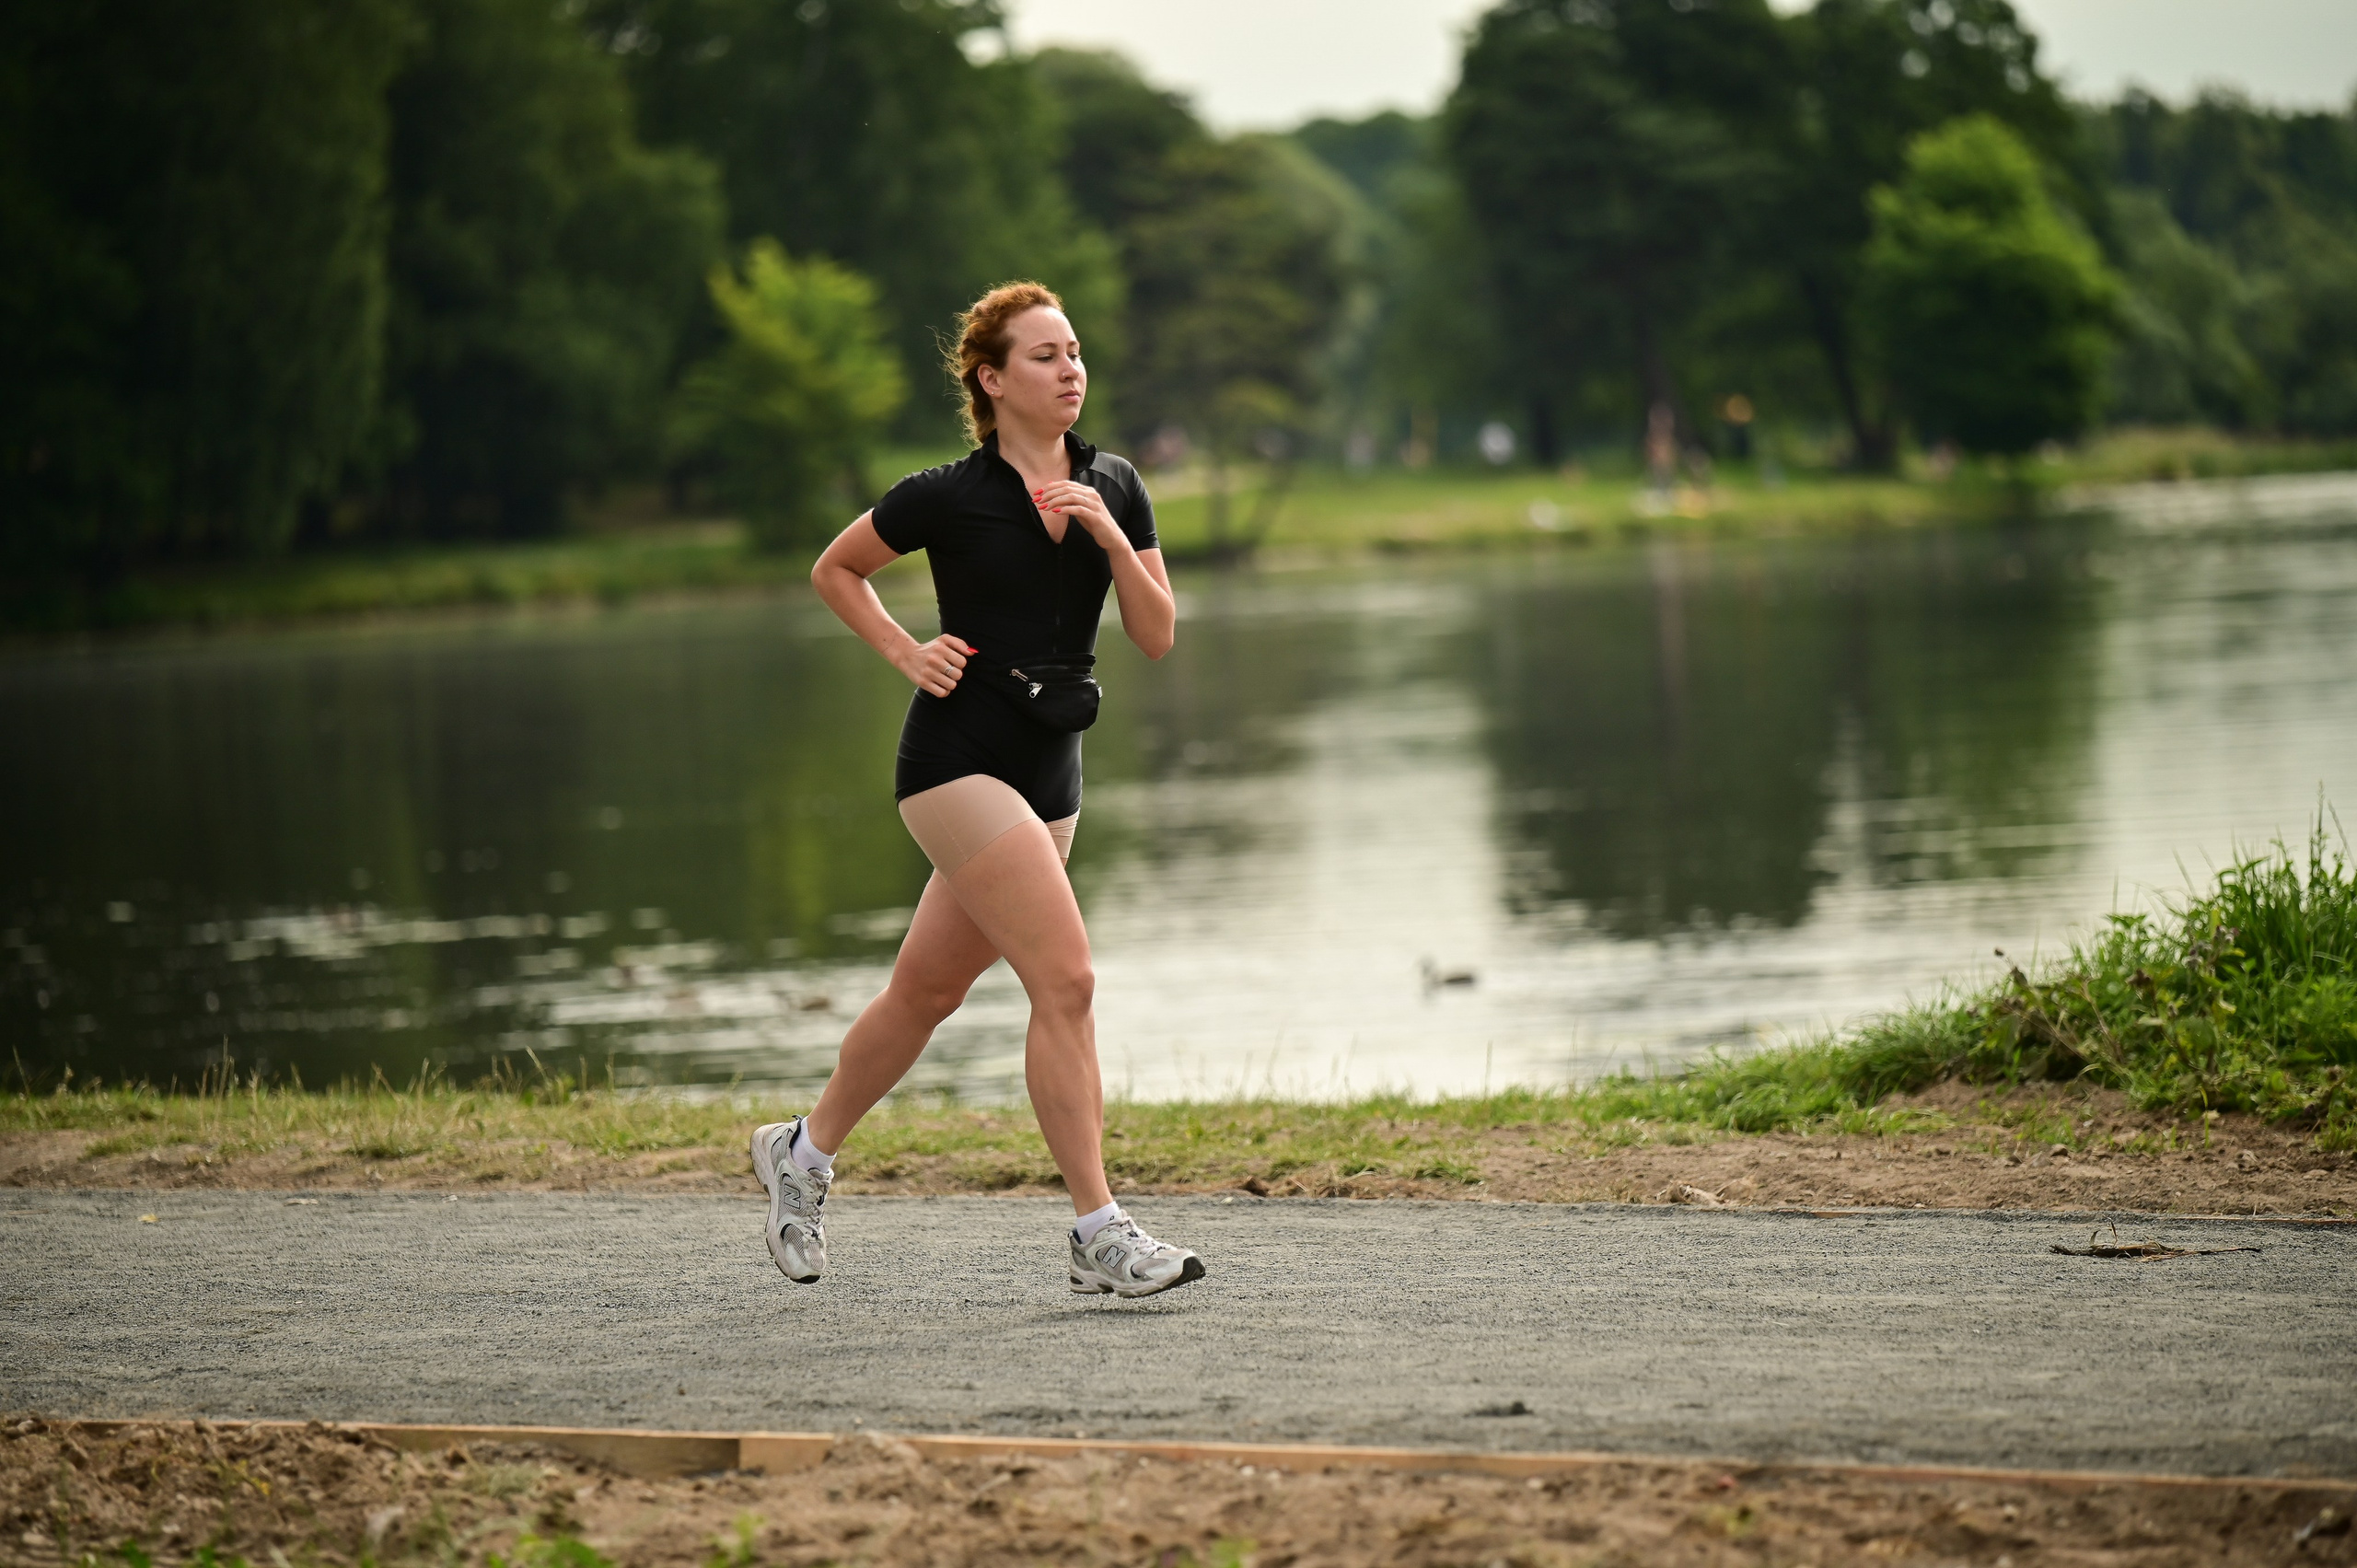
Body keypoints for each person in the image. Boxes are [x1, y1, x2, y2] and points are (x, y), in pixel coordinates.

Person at [751, 281, 1205, 1300]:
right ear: (992, 380)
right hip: (955, 761)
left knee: (926, 992)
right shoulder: (946, 493)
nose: (1071, 369)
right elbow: (838, 568)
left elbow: (1157, 631)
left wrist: (1105, 534)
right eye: (1044, 356)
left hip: (1053, 767)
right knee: (1069, 980)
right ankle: (1097, 1227)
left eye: (1076, 351)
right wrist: (904, 652)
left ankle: (802, 1153)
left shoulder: (1117, 485)